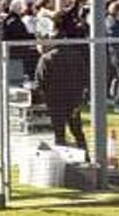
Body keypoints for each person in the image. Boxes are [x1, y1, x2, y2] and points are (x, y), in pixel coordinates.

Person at [34, 15, 88, 153]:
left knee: (59, 134)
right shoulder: (76, 55)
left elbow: (40, 82)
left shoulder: (46, 59)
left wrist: (42, 96)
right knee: (77, 132)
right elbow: (84, 77)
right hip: (73, 100)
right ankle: (85, 157)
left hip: (55, 101)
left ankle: (63, 162)